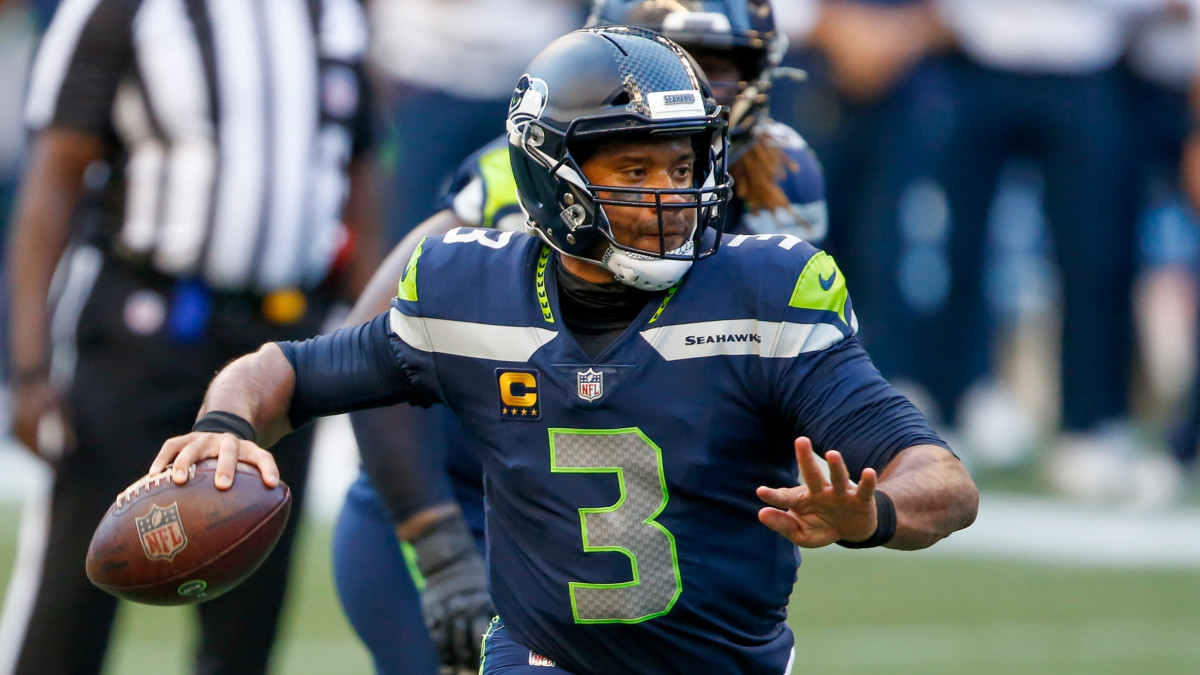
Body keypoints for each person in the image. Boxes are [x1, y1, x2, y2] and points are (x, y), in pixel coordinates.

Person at [152, 26, 978, 675]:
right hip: (541, 655)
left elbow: (944, 480)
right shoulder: (467, 289)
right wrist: (226, 424)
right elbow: (284, 370)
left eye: (682, 164)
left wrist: (873, 512)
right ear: (554, 177)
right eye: (635, 169)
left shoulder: (765, 292)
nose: (671, 195)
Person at [332, 2, 830, 671]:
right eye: (672, 60)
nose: (695, 88)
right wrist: (438, 543)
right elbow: (377, 339)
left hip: (611, 523)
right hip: (468, 499)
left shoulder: (782, 178)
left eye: (722, 66)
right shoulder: (529, 177)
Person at [0, 0, 381, 672]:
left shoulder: (333, 12)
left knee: (248, 608)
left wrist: (378, 348)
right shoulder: (121, 9)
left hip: (281, 346)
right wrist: (29, 368)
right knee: (72, 593)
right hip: (138, 329)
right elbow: (55, 173)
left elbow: (360, 174)